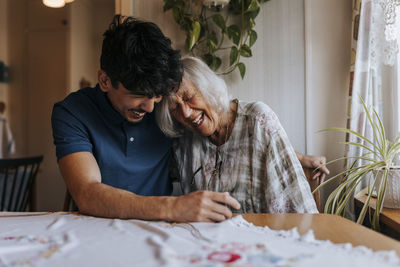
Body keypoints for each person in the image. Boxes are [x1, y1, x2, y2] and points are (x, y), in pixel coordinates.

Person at [52, 15, 241, 222]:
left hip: (158, 231)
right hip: (96, 227)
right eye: (138, 94)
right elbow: (87, 193)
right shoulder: (72, 112)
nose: (151, 108)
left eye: (157, 95)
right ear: (105, 81)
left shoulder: (173, 108)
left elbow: (216, 118)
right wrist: (174, 207)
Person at [156, 56, 321, 213]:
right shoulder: (184, 140)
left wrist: (298, 158)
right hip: (206, 240)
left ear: (207, 89)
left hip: (260, 237)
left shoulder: (257, 120)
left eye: (188, 97)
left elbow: (300, 209)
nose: (185, 113)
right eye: (174, 108)